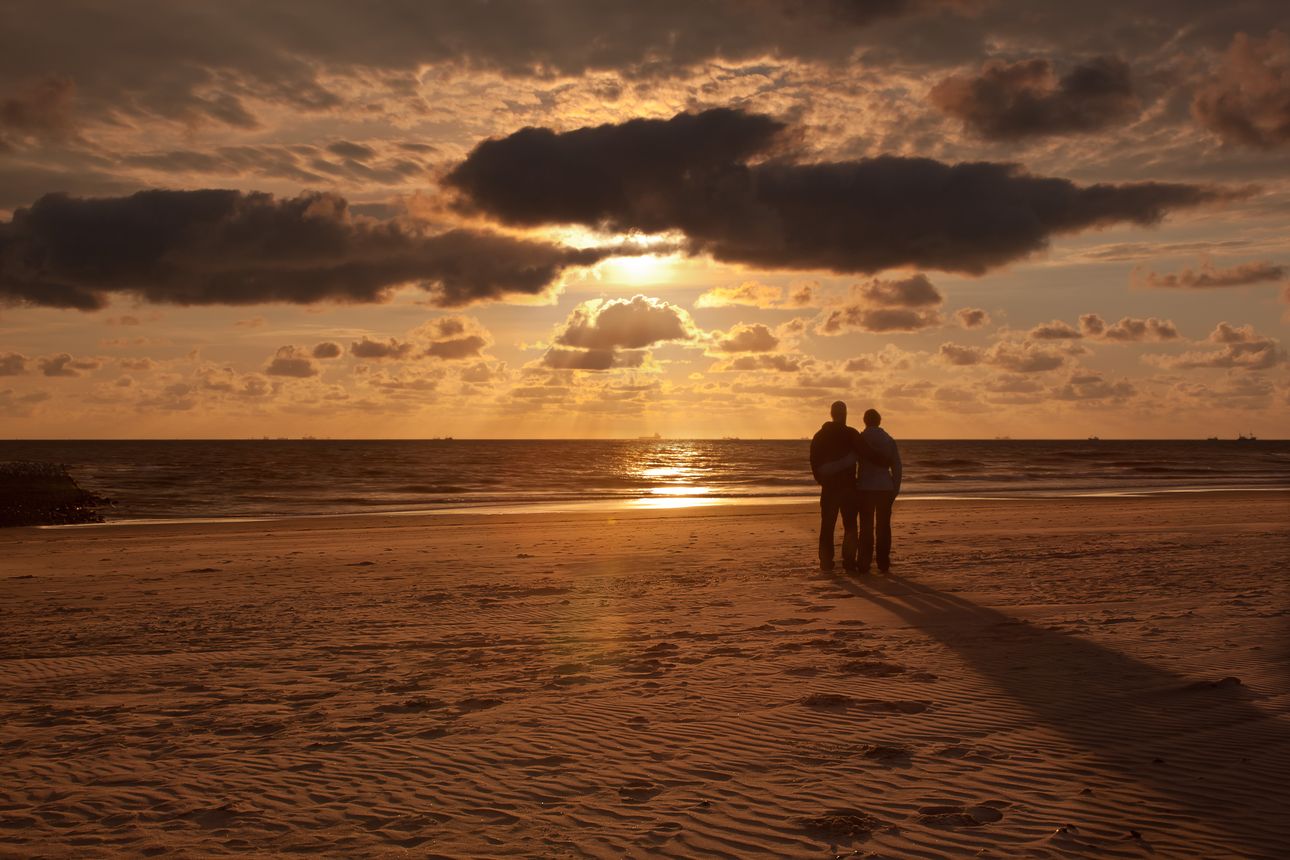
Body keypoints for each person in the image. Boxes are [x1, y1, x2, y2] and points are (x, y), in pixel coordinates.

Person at [810, 401, 888, 572]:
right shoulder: (851, 433)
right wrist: (885, 461)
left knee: (827, 525)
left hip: (830, 488)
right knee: (850, 526)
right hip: (848, 488)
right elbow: (867, 452)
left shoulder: (819, 436)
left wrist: (822, 481)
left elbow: (814, 463)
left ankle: (825, 562)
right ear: (845, 415)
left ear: (831, 414)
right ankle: (848, 561)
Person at [856, 408, 901, 573]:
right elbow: (897, 465)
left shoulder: (861, 439)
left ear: (864, 421)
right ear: (879, 421)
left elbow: (853, 462)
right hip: (884, 487)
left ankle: (864, 562)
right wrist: (895, 487)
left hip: (865, 487)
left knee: (866, 526)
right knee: (883, 526)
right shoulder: (888, 440)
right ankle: (883, 562)